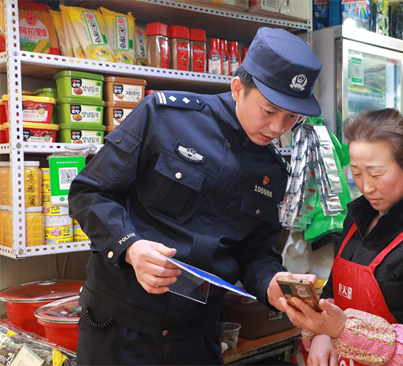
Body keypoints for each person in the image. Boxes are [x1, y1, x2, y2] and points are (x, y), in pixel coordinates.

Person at [69, 27, 320, 366]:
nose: (278, 128)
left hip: (196, 336)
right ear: (238, 88)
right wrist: (130, 247)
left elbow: (255, 251)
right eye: (269, 111)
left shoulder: (272, 167)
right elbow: (89, 192)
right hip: (120, 330)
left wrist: (271, 283)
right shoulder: (164, 117)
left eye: (291, 117)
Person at [279, 109, 403, 366]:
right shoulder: (358, 217)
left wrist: (340, 329)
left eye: (376, 174)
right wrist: (322, 332)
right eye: (356, 174)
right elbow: (333, 290)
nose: (366, 187)